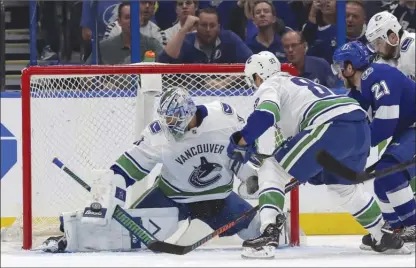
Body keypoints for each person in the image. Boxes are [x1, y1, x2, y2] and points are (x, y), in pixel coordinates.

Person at [226, 51, 410, 258]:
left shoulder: (270, 85)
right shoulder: (297, 83)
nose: (254, 84)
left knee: (272, 168)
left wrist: (241, 141)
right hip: (359, 128)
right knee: (343, 188)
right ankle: (383, 235)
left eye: (253, 79)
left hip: (330, 124)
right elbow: (299, 145)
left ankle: (268, 233)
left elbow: (266, 114)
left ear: (258, 76)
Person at [41, 87, 268, 253]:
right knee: (123, 233)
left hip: (218, 197)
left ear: (189, 113)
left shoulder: (224, 117)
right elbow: (126, 168)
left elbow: (243, 149)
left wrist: (248, 175)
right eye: (166, 118)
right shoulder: (159, 133)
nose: (168, 123)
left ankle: (280, 229)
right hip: (170, 198)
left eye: (173, 118)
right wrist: (112, 188)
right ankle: (69, 236)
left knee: (259, 230)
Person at [332, 41, 416, 246]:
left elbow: (385, 125)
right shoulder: (359, 90)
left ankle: (413, 225)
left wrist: (355, 153)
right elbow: (348, 128)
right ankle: (395, 229)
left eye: (339, 67)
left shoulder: (378, 76)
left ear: (350, 67)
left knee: (390, 171)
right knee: (381, 181)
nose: (338, 73)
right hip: (408, 130)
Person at [158, 7, 253, 64]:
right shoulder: (187, 41)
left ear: (219, 27)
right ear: (196, 26)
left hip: (226, 92)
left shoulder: (229, 38)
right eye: (203, 25)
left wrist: (226, 82)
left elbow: (252, 62)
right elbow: (163, 60)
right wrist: (184, 29)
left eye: (212, 25)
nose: (208, 29)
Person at [87, 2, 162, 64]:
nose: (132, 21)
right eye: (127, 17)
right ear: (119, 21)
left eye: (135, 17)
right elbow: (86, 75)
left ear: (141, 20)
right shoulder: (103, 47)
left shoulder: (153, 45)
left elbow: (166, 74)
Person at [366, 10, 415, 80]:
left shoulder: (413, 48)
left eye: (378, 43)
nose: (376, 49)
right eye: (373, 45)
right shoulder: (382, 62)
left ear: (393, 37)